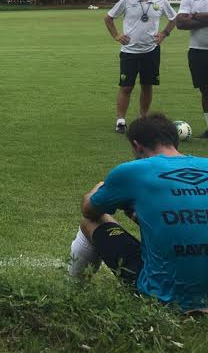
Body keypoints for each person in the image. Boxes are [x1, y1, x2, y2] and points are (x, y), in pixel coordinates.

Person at [68, 113, 208, 312]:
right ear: (176, 142)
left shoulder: (134, 171)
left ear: (137, 146)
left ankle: (70, 296)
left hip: (164, 298)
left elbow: (89, 209)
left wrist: (100, 187)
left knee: (92, 222)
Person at [104, 0, 176, 133]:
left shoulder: (161, 1)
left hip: (151, 50)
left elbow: (174, 18)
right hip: (129, 51)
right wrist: (116, 35)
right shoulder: (127, 0)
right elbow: (108, 18)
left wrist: (164, 33)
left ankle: (143, 118)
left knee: (147, 85)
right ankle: (121, 120)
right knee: (126, 86)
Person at [176, 0, 208, 138]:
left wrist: (195, 15)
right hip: (197, 51)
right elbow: (180, 23)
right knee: (205, 90)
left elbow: (188, 20)